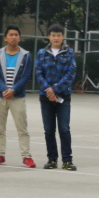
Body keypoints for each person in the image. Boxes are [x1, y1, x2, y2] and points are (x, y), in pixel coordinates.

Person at [0, 26, 35, 168]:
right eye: (11, 35)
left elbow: (26, 75)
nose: (14, 37)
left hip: (18, 97)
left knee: (22, 128)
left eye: (16, 35)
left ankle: (26, 156)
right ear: (5, 38)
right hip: (0, 96)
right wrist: (4, 89)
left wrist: (14, 89)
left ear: (19, 38)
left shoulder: (26, 56)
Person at [36, 24, 77, 171]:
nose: (56, 38)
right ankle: (52, 159)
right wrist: (48, 90)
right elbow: (38, 73)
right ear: (49, 37)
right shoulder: (42, 53)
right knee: (48, 130)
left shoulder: (69, 53)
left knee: (64, 129)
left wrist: (55, 89)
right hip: (46, 97)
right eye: (53, 35)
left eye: (59, 35)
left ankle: (67, 160)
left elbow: (71, 73)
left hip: (63, 96)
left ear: (63, 36)